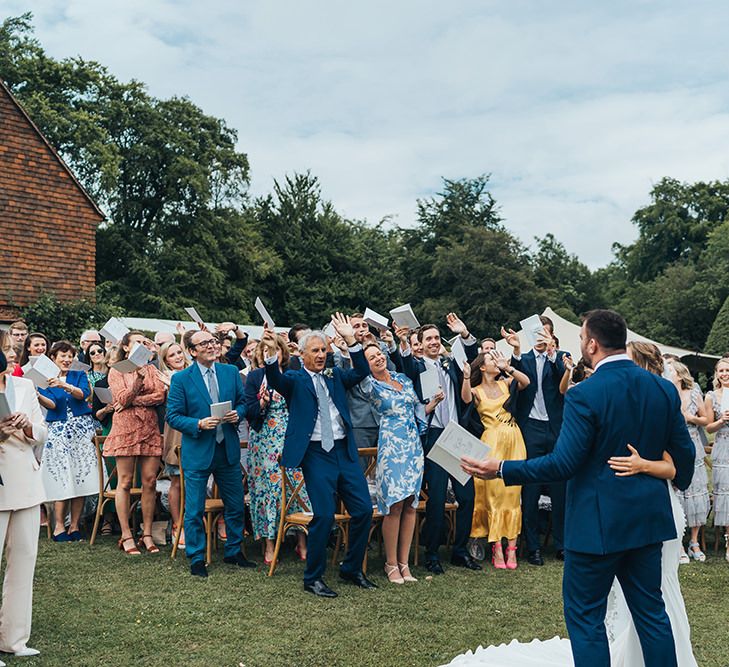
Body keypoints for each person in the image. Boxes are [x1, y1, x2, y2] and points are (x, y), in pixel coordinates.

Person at [461, 309, 695, 667]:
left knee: (586, 619)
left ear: (592, 343)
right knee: (652, 616)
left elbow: (563, 463)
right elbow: (686, 460)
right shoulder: (662, 388)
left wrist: (501, 468)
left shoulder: (585, 394)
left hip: (595, 527)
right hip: (648, 521)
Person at [261, 314, 375, 598]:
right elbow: (274, 378)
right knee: (324, 515)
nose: (322, 355)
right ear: (302, 354)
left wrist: (351, 340)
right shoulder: (294, 379)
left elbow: (361, 371)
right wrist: (271, 356)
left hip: (344, 450)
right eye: (315, 350)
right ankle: (313, 578)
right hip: (315, 453)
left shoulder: (335, 376)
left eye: (324, 350)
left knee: (363, 510)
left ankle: (351, 569)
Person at [394, 313, 481, 575]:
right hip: (433, 435)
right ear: (420, 343)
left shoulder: (449, 364)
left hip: (456, 435)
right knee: (437, 498)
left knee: (467, 496)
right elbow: (405, 363)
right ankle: (432, 554)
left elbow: (471, 355)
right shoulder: (417, 367)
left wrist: (464, 334)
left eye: (435, 338)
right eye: (428, 339)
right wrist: (405, 346)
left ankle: (460, 550)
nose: (433, 342)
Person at [166, 329, 254, 577]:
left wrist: (239, 413)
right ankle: (196, 556)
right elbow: (173, 416)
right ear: (192, 351)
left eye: (213, 341)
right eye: (204, 343)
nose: (211, 346)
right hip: (198, 449)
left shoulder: (230, 372)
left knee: (235, 504)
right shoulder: (181, 379)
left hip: (227, 447)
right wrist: (198, 424)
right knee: (194, 508)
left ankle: (234, 551)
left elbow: (243, 402)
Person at [501, 317, 567, 565]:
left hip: (557, 428)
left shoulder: (561, 358)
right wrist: (515, 349)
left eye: (545, 334)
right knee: (531, 488)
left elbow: (564, 382)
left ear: (551, 336)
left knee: (561, 487)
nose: (540, 339)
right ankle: (533, 547)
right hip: (530, 428)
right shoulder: (524, 359)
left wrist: (552, 353)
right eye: (536, 334)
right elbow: (515, 381)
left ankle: (562, 544)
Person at [360, 342, 425, 584]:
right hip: (391, 444)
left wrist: (433, 404)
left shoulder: (403, 379)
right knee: (394, 504)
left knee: (411, 504)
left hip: (413, 446)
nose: (378, 358)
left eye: (379, 354)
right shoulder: (369, 384)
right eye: (372, 357)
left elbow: (417, 409)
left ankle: (404, 563)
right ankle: (390, 564)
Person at [462, 350, 529, 569]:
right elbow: (464, 399)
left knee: (512, 493)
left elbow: (526, 382)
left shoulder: (506, 383)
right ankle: (496, 546)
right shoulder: (476, 390)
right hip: (491, 441)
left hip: (514, 440)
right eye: (491, 359)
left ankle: (512, 548)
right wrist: (464, 376)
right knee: (493, 494)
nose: (495, 361)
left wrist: (507, 367)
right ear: (482, 367)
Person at [244, 334, 308, 564]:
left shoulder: (293, 376)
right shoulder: (254, 377)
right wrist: (260, 404)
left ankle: (302, 541)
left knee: (297, 487)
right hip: (263, 440)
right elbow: (248, 411)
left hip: (290, 438)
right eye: (265, 351)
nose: (269, 354)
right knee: (268, 490)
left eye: (275, 350)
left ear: (283, 353)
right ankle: (269, 544)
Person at [0, 349, 47, 661]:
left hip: (26, 483)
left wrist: (27, 426)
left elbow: (43, 433)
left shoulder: (24, 388)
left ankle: (14, 639)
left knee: (24, 561)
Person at [104, 331, 166, 555]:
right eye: (137, 342)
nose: (142, 345)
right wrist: (138, 380)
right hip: (125, 428)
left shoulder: (152, 369)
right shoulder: (117, 369)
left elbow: (160, 396)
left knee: (150, 481)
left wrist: (135, 401)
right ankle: (126, 534)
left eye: (144, 342)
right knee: (125, 482)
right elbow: (121, 399)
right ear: (127, 348)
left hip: (149, 427)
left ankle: (147, 533)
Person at [37, 341, 99, 542]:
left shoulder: (79, 375)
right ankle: (58, 527)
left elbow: (83, 395)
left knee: (81, 477)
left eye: (70, 356)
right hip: (59, 432)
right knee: (62, 478)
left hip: (81, 431)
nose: (66, 359)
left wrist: (64, 385)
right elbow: (52, 404)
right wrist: (37, 395)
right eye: (62, 356)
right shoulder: (45, 379)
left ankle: (75, 526)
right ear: (53, 358)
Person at [661, 356, 710, 562]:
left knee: (696, 492)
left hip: (694, 444)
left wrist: (691, 418)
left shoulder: (694, 392)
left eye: (670, 369)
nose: (667, 372)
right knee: (677, 492)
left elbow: (706, 420)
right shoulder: (665, 392)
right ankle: (679, 544)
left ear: (680, 375)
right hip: (673, 446)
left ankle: (694, 540)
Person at [158, 342, 189, 550]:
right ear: (166, 360)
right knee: (177, 480)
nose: (177, 356)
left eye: (179, 352)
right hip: (177, 433)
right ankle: (178, 524)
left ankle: (193, 522)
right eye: (172, 355)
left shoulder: (193, 371)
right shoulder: (165, 377)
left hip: (197, 430)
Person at [705, 356, 729, 562]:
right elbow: (708, 427)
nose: (724, 374)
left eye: (727, 370)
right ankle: (728, 540)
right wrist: (722, 420)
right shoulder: (712, 396)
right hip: (722, 446)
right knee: (725, 492)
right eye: (721, 371)